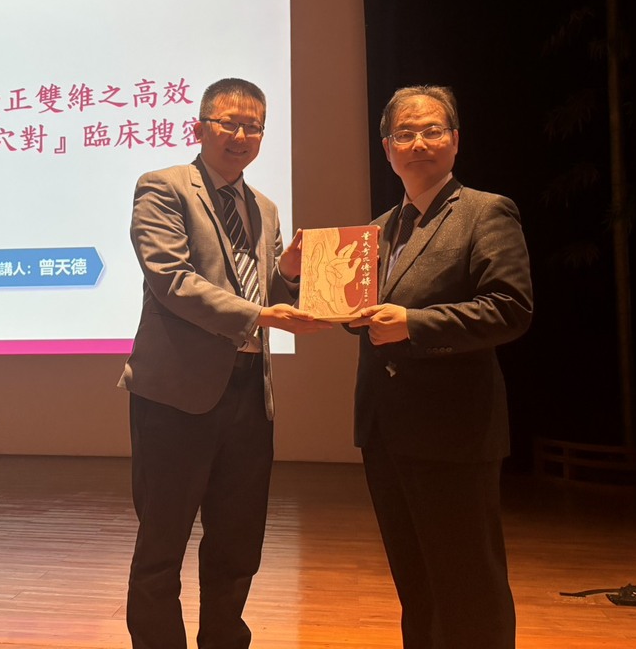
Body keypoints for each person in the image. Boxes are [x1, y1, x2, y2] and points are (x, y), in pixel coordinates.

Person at [118, 77, 330, 649]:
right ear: (200, 127)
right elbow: (172, 280)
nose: (241, 135)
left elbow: (266, 294)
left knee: (238, 542)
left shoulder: (264, 208)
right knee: (162, 543)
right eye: (228, 123)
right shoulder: (163, 188)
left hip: (250, 395)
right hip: (175, 395)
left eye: (253, 126)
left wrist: (288, 275)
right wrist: (262, 313)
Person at [347, 85, 533, 648]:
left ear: (455, 141)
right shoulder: (377, 230)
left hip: (455, 432)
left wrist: (414, 323)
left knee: (469, 584)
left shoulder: (485, 211)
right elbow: (362, 314)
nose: (418, 143)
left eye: (432, 131)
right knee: (417, 586)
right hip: (385, 431)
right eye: (405, 133)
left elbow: (510, 308)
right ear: (387, 148)